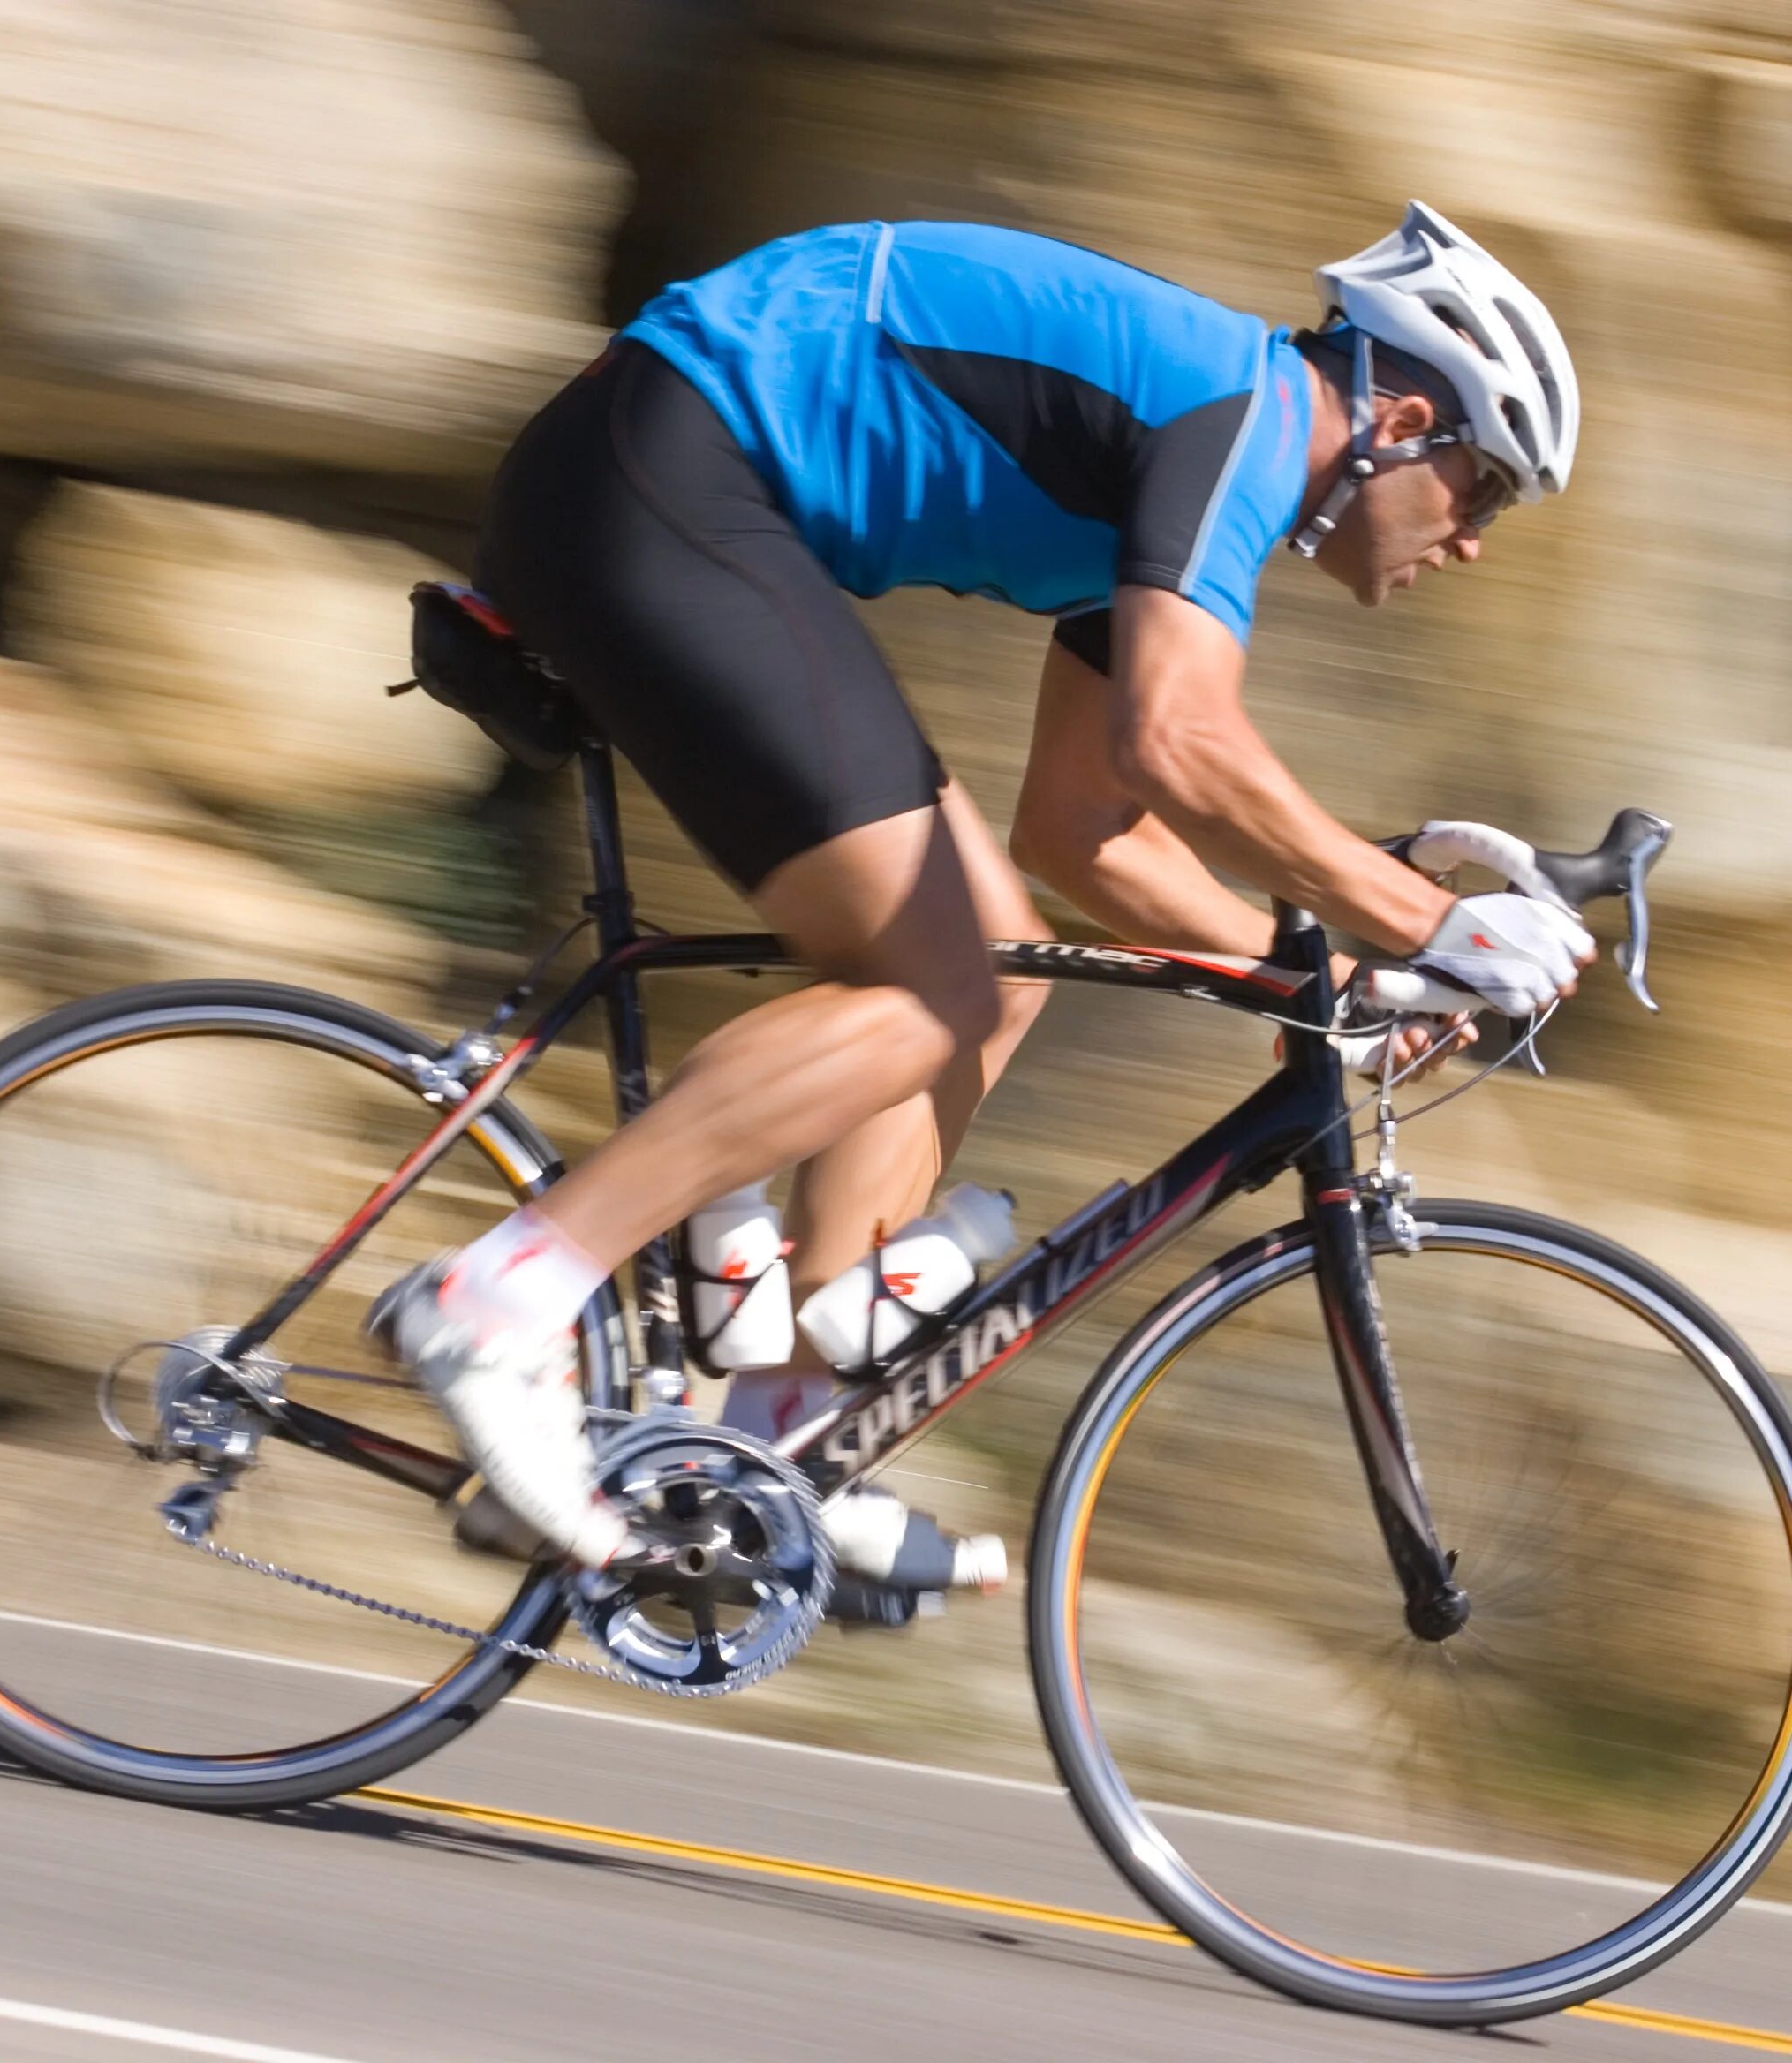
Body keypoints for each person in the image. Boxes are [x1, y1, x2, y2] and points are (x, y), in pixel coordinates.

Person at [371, 201, 1595, 1599]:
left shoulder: (1189, 478)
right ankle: (500, 1299)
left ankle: (776, 1443)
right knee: (935, 981)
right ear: (1403, 421)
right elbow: (1178, 743)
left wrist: (1325, 982)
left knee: (994, 969)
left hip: (664, 488)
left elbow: (1087, 835)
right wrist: (1425, 922)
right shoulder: (1239, 421)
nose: (1476, 540)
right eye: (1485, 490)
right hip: (664, 480)